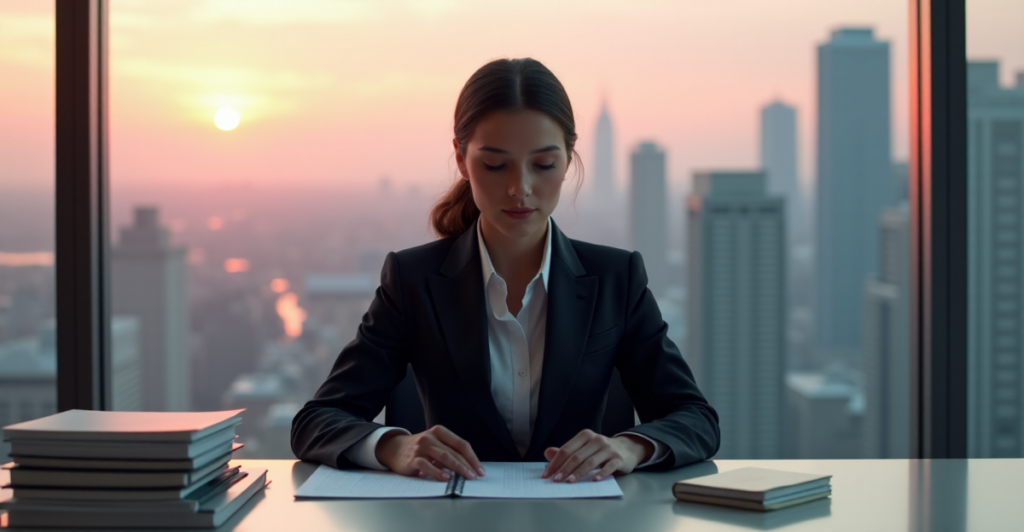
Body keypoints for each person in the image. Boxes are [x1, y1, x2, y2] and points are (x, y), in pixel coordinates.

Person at [291, 57, 719, 484]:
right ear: (461, 159)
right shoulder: (412, 279)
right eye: (495, 165)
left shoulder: (616, 278)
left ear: (568, 160)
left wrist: (629, 446)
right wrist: (394, 446)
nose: (520, 188)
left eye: (543, 165)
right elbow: (318, 420)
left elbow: (695, 419)